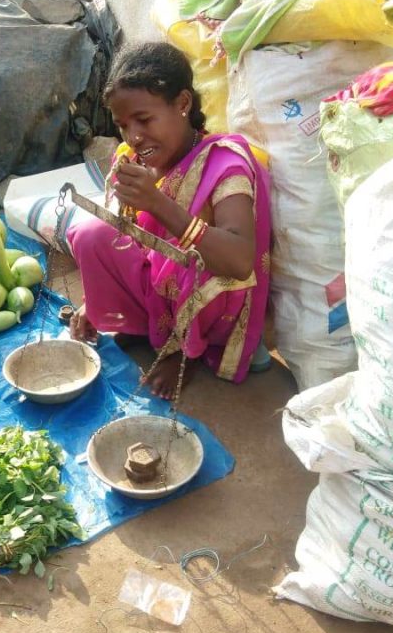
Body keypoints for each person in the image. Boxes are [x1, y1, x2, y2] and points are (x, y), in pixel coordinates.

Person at [67, 42, 272, 399]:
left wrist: (159, 204)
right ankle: (141, 325)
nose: (133, 136)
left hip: (211, 294)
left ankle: (185, 351)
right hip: (162, 284)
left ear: (182, 104)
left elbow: (238, 261)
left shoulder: (225, 164)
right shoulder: (136, 159)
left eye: (144, 120)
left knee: (187, 257)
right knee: (92, 233)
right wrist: (95, 299)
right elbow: (127, 235)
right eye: (123, 125)